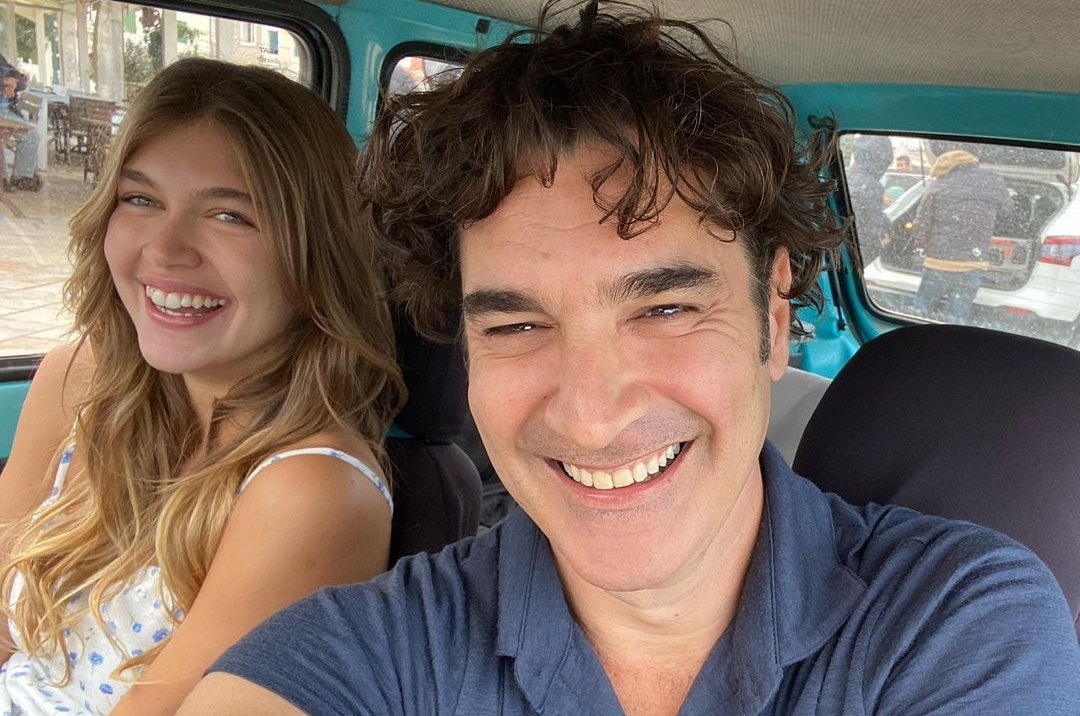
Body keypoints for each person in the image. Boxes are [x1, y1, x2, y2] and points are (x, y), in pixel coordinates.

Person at [181, 3, 1080, 715]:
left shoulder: (955, 619)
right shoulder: (374, 647)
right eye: (517, 325)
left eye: (665, 308)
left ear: (773, 318)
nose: (591, 415)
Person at [0, 57, 405, 715]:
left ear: (315, 255)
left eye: (229, 216)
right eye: (141, 199)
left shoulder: (312, 490)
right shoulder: (76, 377)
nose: (165, 249)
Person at [911, 149, 1013, 323]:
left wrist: (921, 244)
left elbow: (921, 224)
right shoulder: (993, 181)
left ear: (946, 166)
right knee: (957, 317)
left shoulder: (938, 184)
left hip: (938, 261)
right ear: (971, 162)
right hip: (972, 263)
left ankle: (914, 339)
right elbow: (1008, 211)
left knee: (919, 313)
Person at [846, 134, 894, 265]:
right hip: (858, 248)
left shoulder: (845, 175)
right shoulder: (872, 186)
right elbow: (872, 223)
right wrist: (882, 240)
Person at [0, 53, 42, 192]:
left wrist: (14, 82)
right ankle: (2, 179)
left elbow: (22, 81)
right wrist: (4, 83)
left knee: (32, 135)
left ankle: (21, 177)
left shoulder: (1, 61)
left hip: (7, 111)